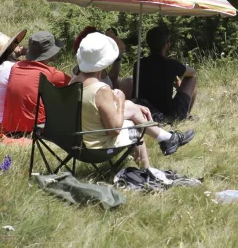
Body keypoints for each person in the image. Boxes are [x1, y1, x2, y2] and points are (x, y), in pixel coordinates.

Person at [73, 33, 193, 168]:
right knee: (132, 125)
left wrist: (126, 104)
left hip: (75, 139)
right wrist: (120, 100)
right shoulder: (101, 89)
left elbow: (92, 107)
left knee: (131, 105)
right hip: (94, 146)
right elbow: (114, 129)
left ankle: (166, 138)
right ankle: (146, 170)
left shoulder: (74, 82)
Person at [1, 31, 71, 134]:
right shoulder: (50, 73)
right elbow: (75, 84)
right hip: (34, 129)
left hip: (10, 127)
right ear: (50, 52)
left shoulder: (16, 67)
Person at [133, 25, 197, 122]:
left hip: (143, 111)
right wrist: (177, 74)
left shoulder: (138, 64)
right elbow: (192, 72)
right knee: (192, 78)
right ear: (166, 45)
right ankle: (185, 114)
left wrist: (174, 77)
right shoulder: (170, 64)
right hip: (166, 113)